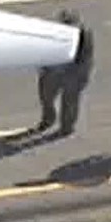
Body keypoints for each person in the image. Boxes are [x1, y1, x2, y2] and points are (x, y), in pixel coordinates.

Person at [36, 9, 94, 137]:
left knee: (69, 100)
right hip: (55, 70)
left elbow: (83, 60)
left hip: (74, 72)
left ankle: (67, 127)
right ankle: (48, 118)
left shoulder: (84, 36)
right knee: (46, 96)